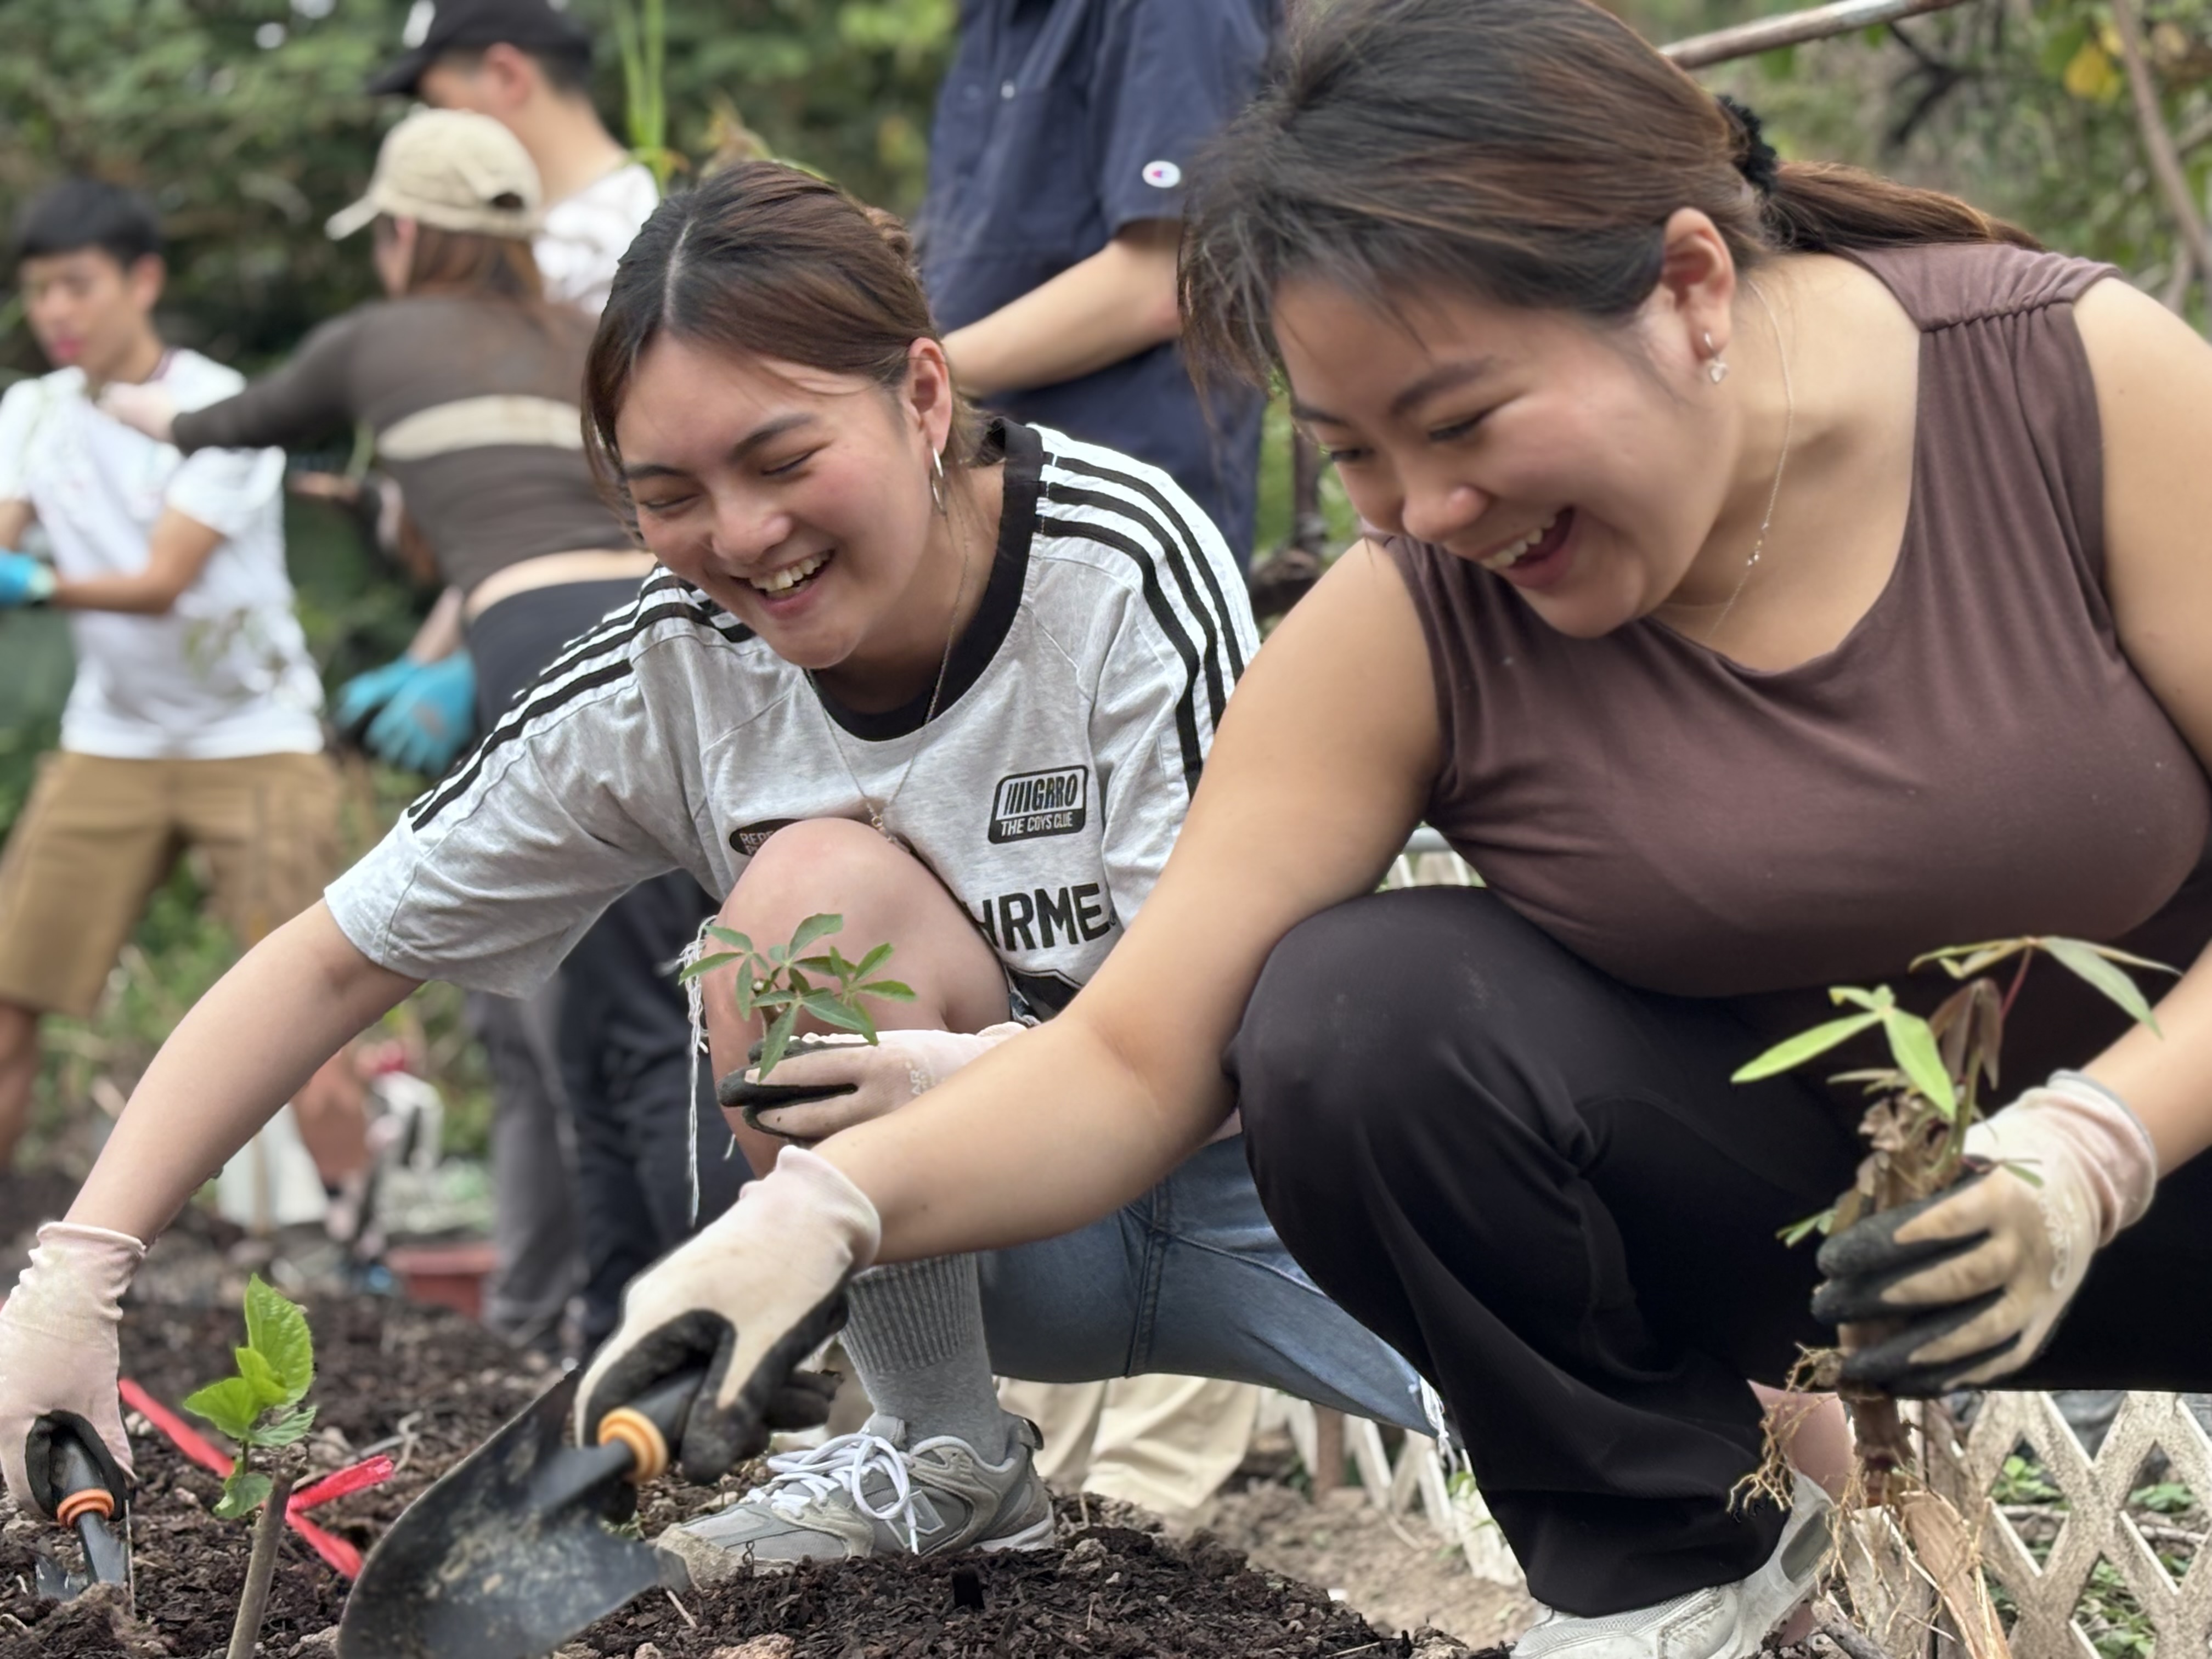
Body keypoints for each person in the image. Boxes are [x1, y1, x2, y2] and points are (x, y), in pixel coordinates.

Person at [402, 0, 2212, 1652]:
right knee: (1354, 1008)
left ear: (1687, 287)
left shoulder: (2063, 384)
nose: (1426, 508)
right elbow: (1132, 1050)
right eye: (1352, 453)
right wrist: (813, 1224)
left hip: (2169, 1191)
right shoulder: (1418, 609)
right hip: (1842, 1254)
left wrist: (2101, 1143)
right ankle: (1668, 1582)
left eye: (1461, 419)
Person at [0, 162, 1425, 1563]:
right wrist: (77, 1277)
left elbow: (1228, 1032)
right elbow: (338, 954)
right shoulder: (670, 677)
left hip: (1269, 1203)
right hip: (984, 1236)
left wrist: (970, 1077)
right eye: (667, 492)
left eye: (785, 459)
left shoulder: (1111, 570)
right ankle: (946, 1461)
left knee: (1602, 1441)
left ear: (923, 396)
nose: (743, 536)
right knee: (808, 909)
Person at [100, 109, 725, 1353]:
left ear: (399, 233)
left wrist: (123, 408)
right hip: (668, 629)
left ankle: (700, 1328)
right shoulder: (579, 336)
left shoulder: (376, 337)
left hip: (542, 648)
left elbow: (221, 424)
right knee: (637, 1007)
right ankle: (615, 1322)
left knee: (623, 1029)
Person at [0, 179, 342, 1176]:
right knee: (9, 995)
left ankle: (354, 1250)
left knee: (318, 1007)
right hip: (112, 736)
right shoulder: (32, 409)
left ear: (142, 280)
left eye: (77, 285)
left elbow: (160, 582)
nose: (56, 311)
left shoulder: (218, 406)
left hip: (258, 736)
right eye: (37, 291)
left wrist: (33, 584)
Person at [922, 0, 1274, 567]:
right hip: (987, 499)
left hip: (1115, 526)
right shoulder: (994, 18)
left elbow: (1167, 277)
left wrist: (906, 383)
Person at [369, 0, 657, 317]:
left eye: (439, 102)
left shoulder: (635, 244)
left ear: (507, 76)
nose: (436, 125)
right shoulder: (548, 230)